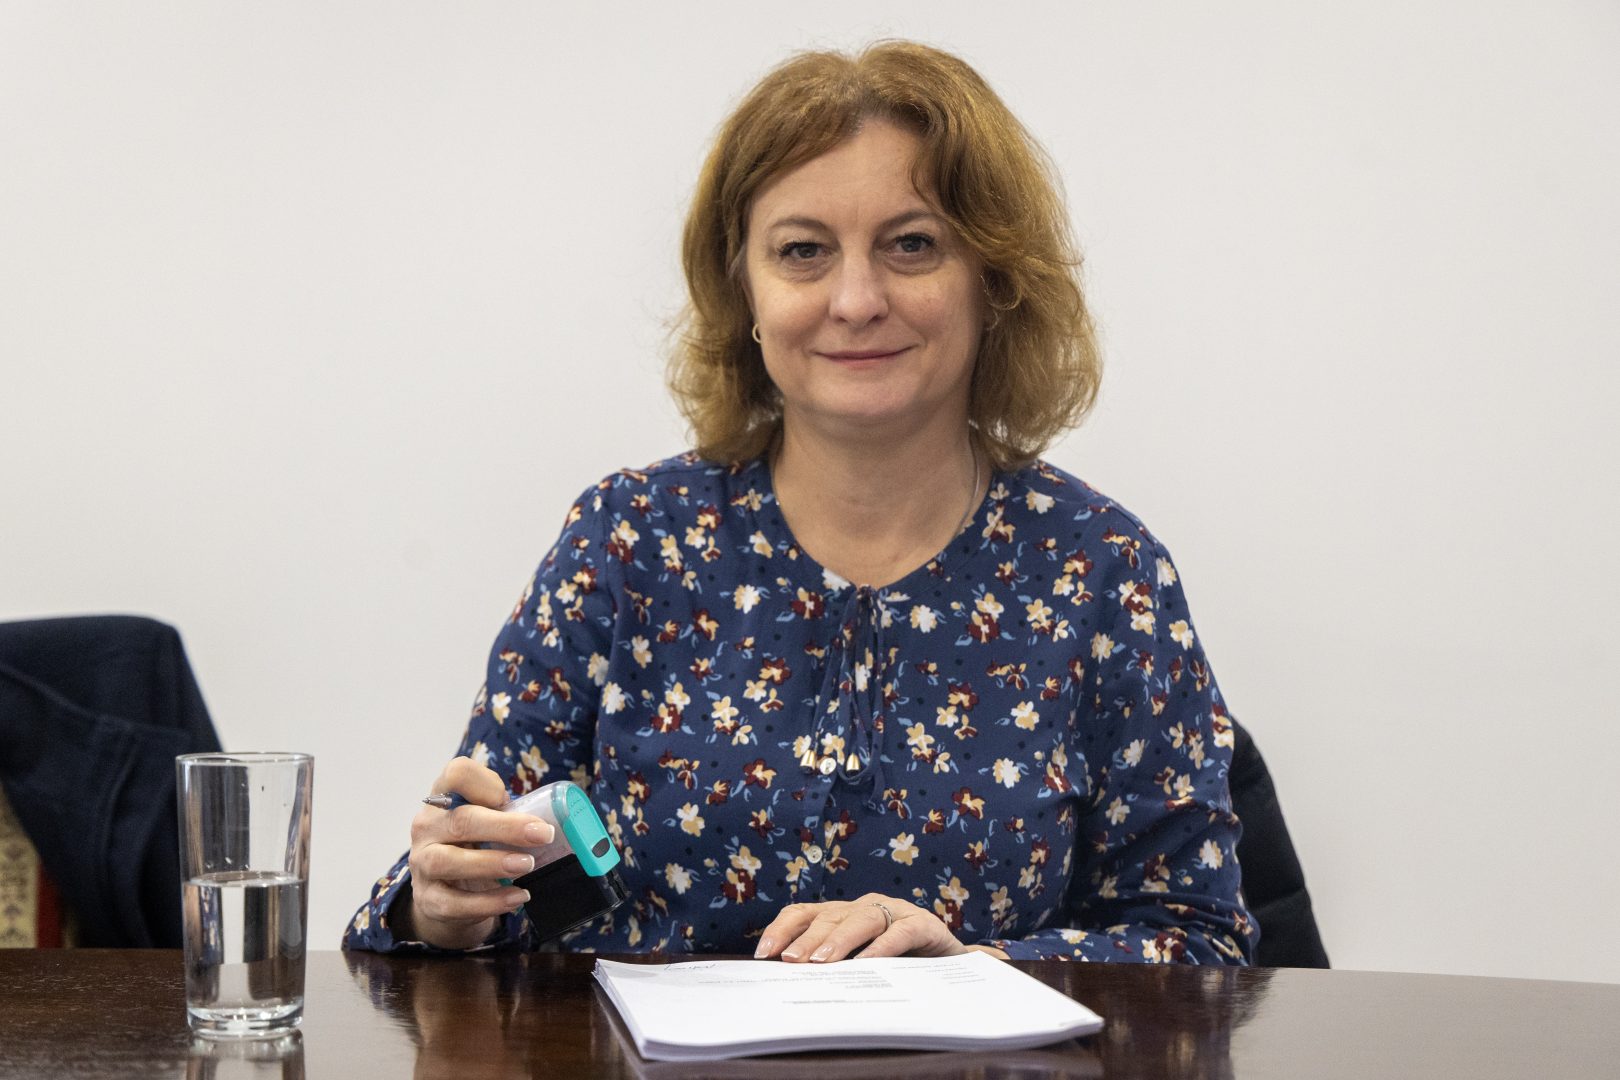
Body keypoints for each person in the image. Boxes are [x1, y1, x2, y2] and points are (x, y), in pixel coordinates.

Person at [344, 41, 1256, 965]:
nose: (856, 300)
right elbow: (450, 901)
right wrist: (440, 907)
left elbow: (1202, 945)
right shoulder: (627, 541)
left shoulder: (1101, 569)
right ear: (743, 287)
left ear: (993, 279)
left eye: (912, 244)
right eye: (803, 252)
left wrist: (978, 974)